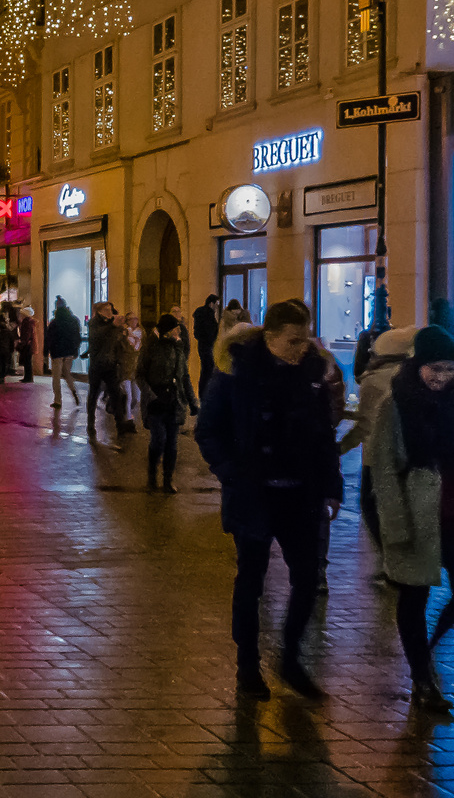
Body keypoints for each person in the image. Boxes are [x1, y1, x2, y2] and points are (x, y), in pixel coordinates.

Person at [195, 300, 343, 702]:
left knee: (308, 578)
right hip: (254, 495)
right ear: (271, 336)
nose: (300, 349)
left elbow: (323, 435)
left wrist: (332, 485)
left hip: (301, 493)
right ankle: (248, 665)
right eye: (293, 342)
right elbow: (208, 430)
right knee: (251, 581)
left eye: (305, 340)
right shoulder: (235, 371)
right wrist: (232, 473)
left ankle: (290, 657)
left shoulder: (312, 372)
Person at [367, 325, 454, 713]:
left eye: (449, 369)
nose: (442, 377)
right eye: (435, 368)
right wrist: (395, 524)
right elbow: (384, 468)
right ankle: (422, 678)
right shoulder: (395, 403)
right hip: (415, 512)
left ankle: (427, 652)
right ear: (418, 363)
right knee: (414, 595)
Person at [340, 325, 419, 559]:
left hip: (376, 456)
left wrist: (340, 447)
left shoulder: (373, 381)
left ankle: (391, 559)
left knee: (371, 507)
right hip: (407, 455)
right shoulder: (412, 376)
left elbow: (365, 425)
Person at [136, 314, 199, 493]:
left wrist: (193, 402)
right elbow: (139, 374)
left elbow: (184, 376)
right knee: (158, 440)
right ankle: (151, 476)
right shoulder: (150, 346)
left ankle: (167, 479)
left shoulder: (178, 347)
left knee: (172, 443)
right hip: (156, 401)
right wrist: (150, 394)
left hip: (174, 401)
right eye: (175, 328)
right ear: (167, 331)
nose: (178, 331)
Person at [86, 303, 128, 439]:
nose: (109, 312)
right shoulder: (93, 323)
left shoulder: (112, 323)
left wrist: (121, 330)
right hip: (97, 365)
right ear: (99, 311)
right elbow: (96, 336)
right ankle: (90, 424)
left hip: (110, 365)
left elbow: (116, 342)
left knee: (116, 395)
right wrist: (113, 326)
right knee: (93, 395)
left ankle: (120, 426)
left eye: (110, 309)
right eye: (106, 310)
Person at [45, 297, 83, 408]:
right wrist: (76, 349)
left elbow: (49, 338)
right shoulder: (74, 320)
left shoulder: (54, 322)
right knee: (67, 373)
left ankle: (58, 400)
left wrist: (45, 352)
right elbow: (77, 336)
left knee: (56, 376)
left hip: (57, 352)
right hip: (69, 351)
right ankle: (73, 390)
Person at [193, 294, 221, 400]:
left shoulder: (203, 314)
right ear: (211, 303)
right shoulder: (208, 315)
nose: (217, 307)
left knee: (205, 371)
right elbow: (210, 331)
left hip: (203, 346)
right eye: (216, 304)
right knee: (208, 371)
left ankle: (203, 394)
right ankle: (205, 395)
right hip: (207, 346)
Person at [0, 306, 18, 384]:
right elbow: (11, 340)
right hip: (6, 349)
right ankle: (2, 376)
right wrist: (11, 349)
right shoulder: (7, 328)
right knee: (4, 363)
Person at [16, 305, 38, 382]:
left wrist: (22, 343)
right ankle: (28, 377)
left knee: (27, 362)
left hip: (27, 345)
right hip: (30, 344)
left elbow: (26, 334)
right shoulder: (30, 322)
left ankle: (28, 378)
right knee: (28, 362)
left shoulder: (26, 322)